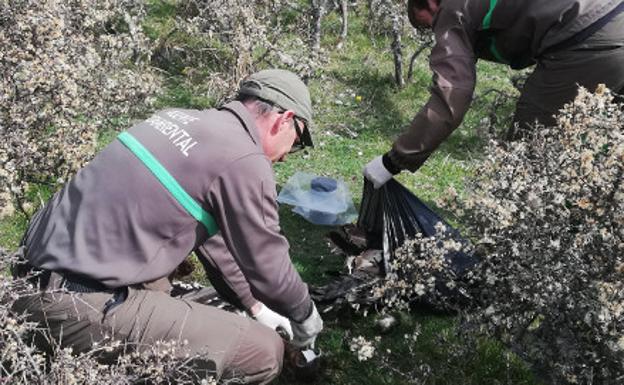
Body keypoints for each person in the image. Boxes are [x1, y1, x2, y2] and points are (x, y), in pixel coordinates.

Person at [11, 69, 323, 384]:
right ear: (285, 119)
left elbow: (212, 243)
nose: (285, 157)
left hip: (26, 278)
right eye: (295, 143)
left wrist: (255, 307)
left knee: (213, 307)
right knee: (263, 352)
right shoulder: (244, 158)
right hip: (69, 305)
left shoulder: (176, 118)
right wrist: (304, 315)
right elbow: (266, 262)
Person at [363, 0, 624, 188]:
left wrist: (393, 161)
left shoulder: (451, 8)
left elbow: (452, 94)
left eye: (432, 26)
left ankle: (514, 254)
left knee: (526, 156)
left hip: (586, 39)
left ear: (430, 5)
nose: (439, 33)